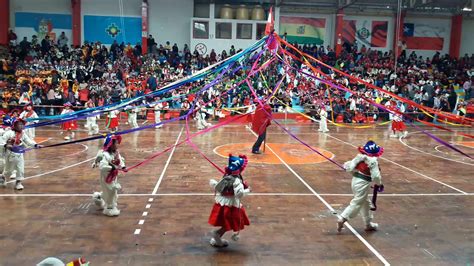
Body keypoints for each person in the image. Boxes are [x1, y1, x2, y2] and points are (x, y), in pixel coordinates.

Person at [337, 140, 384, 232]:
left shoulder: (360, 157)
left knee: (365, 203)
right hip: (362, 183)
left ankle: (368, 223)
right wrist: (379, 184)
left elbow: (349, 166)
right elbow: (376, 176)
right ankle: (342, 218)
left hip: (355, 181)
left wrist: (345, 166)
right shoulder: (373, 161)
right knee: (357, 202)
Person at [208, 154, 250, 247]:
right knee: (232, 221)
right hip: (231, 204)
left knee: (227, 221)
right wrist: (248, 190)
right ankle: (217, 234)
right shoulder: (236, 180)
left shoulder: (227, 175)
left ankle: (217, 236)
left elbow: (220, 186)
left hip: (223, 202)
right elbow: (239, 194)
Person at [0, 119, 41, 190]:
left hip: (19, 153)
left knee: (20, 168)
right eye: (19, 124)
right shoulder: (9, 133)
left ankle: (18, 182)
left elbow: (28, 141)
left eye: (22, 124)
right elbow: (1, 141)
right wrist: (6, 145)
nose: (21, 126)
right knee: (8, 170)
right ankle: (3, 177)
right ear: (15, 125)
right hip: (9, 153)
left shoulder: (23, 133)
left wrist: (35, 145)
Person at [92, 135, 126, 217]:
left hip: (113, 176)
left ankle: (99, 197)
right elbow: (102, 167)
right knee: (111, 191)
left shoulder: (116, 153)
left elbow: (120, 160)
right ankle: (110, 208)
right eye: (115, 143)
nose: (117, 145)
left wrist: (123, 166)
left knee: (110, 191)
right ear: (110, 144)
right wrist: (112, 167)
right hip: (106, 176)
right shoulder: (104, 155)